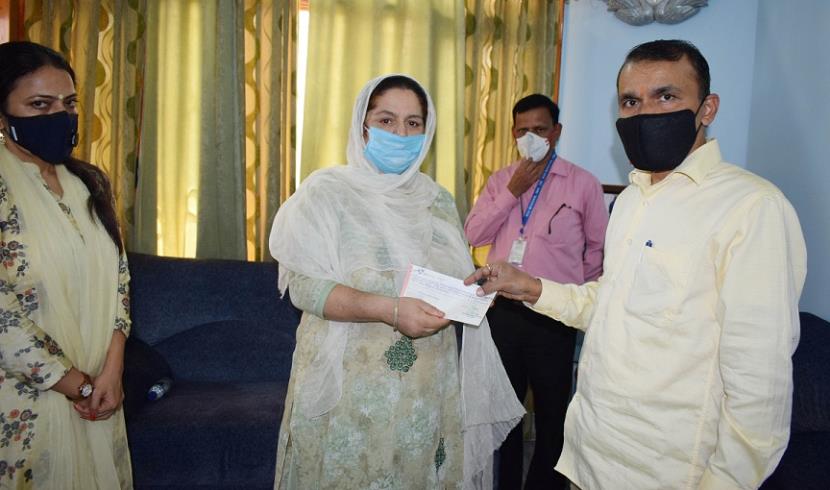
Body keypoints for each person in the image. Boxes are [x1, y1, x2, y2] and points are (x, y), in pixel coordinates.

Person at [465, 40, 807, 489]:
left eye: (666, 96)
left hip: (669, 470)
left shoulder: (751, 208)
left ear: (707, 108)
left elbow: (759, 390)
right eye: (631, 101)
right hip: (593, 455)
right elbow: (612, 303)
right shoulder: (631, 200)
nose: (646, 113)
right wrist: (532, 287)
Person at [269, 74, 524, 489]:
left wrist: (475, 291)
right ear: (363, 126)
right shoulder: (325, 193)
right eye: (386, 121)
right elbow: (304, 288)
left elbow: (446, 280)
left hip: (425, 393)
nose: (401, 134)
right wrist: (390, 310)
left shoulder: (437, 200)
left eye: (413, 123)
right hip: (349, 393)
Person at [0, 42, 132, 488]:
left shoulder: (88, 183)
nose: (61, 115)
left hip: (100, 395)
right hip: (27, 400)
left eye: (69, 103)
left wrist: (112, 371)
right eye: (40, 105)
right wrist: (77, 384)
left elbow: (119, 280)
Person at [464, 94, 607, 489]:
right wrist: (512, 192)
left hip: (554, 313)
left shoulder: (583, 183)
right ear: (513, 133)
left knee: (552, 416)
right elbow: (474, 234)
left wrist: (579, 299)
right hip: (503, 311)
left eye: (540, 129)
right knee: (505, 413)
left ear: (556, 132)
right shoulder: (500, 181)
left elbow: (597, 250)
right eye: (523, 130)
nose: (530, 137)